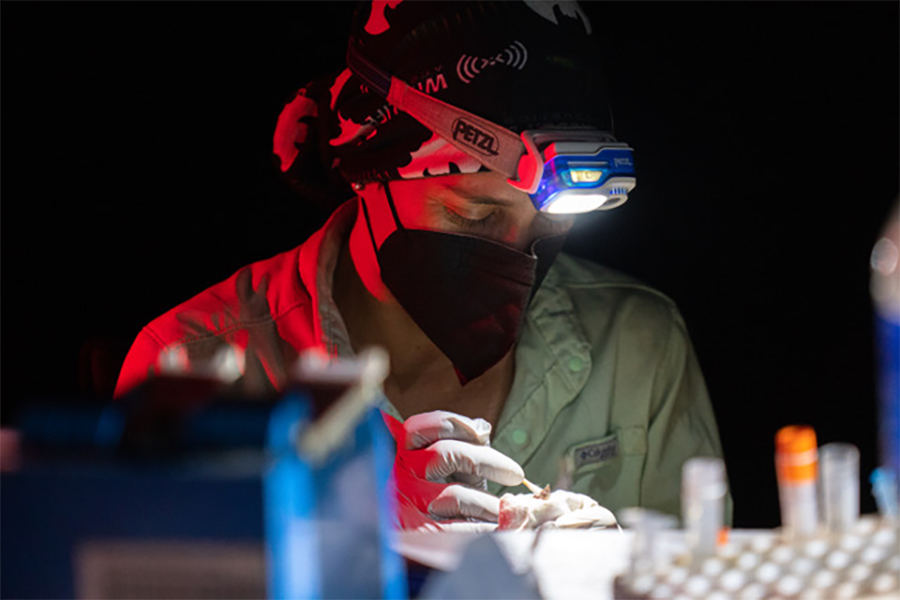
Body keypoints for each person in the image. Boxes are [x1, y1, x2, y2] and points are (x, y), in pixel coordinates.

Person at [115, 0, 730, 529]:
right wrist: (361, 540)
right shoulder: (195, 369)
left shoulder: (636, 346)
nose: (517, 253)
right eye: (471, 217)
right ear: (368, 170)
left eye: (550, 221)